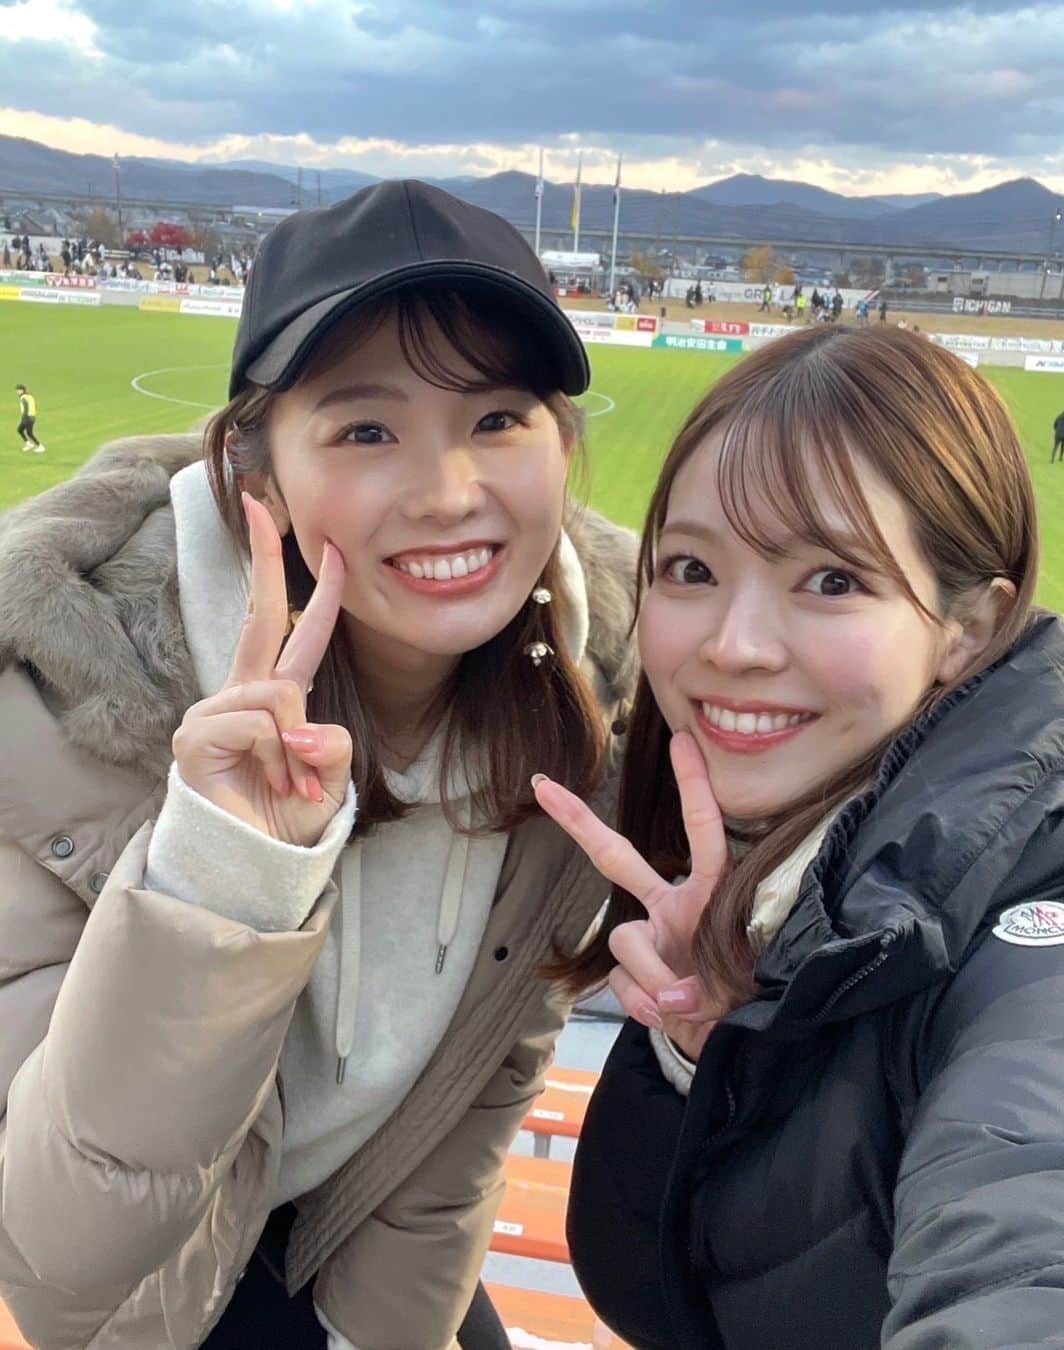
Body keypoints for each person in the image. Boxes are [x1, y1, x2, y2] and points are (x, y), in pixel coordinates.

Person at [0, 181, 638, 1350]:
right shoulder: (57, 711)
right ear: (260, 480)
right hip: (159, 1290)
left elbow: (463, 1116)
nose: (449, 495)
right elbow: (60, 1262)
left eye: (499, 418)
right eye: (366, 431)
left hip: (356, 1217)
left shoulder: (589, 702)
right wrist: (215, 875)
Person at [533, 324, 1064, 1347]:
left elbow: (1031, 1229)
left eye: (832, 580)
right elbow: (661, 1299)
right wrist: (710, 1060)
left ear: (969, 627)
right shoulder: (780, 885)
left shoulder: (1041, 926)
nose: (734, 645)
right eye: (691, 567)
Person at [14, 383, 43, 453]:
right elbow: (35, 405)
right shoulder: (30, 396)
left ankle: (40, 446)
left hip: (27, 417)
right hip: (32, 416)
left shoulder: (23, 397)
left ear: (22, 390)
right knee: (20, 429)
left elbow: (26, 406)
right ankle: (28, 444)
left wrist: (24, 416)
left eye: (18, 390)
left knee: (29, 433)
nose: (17, 392)